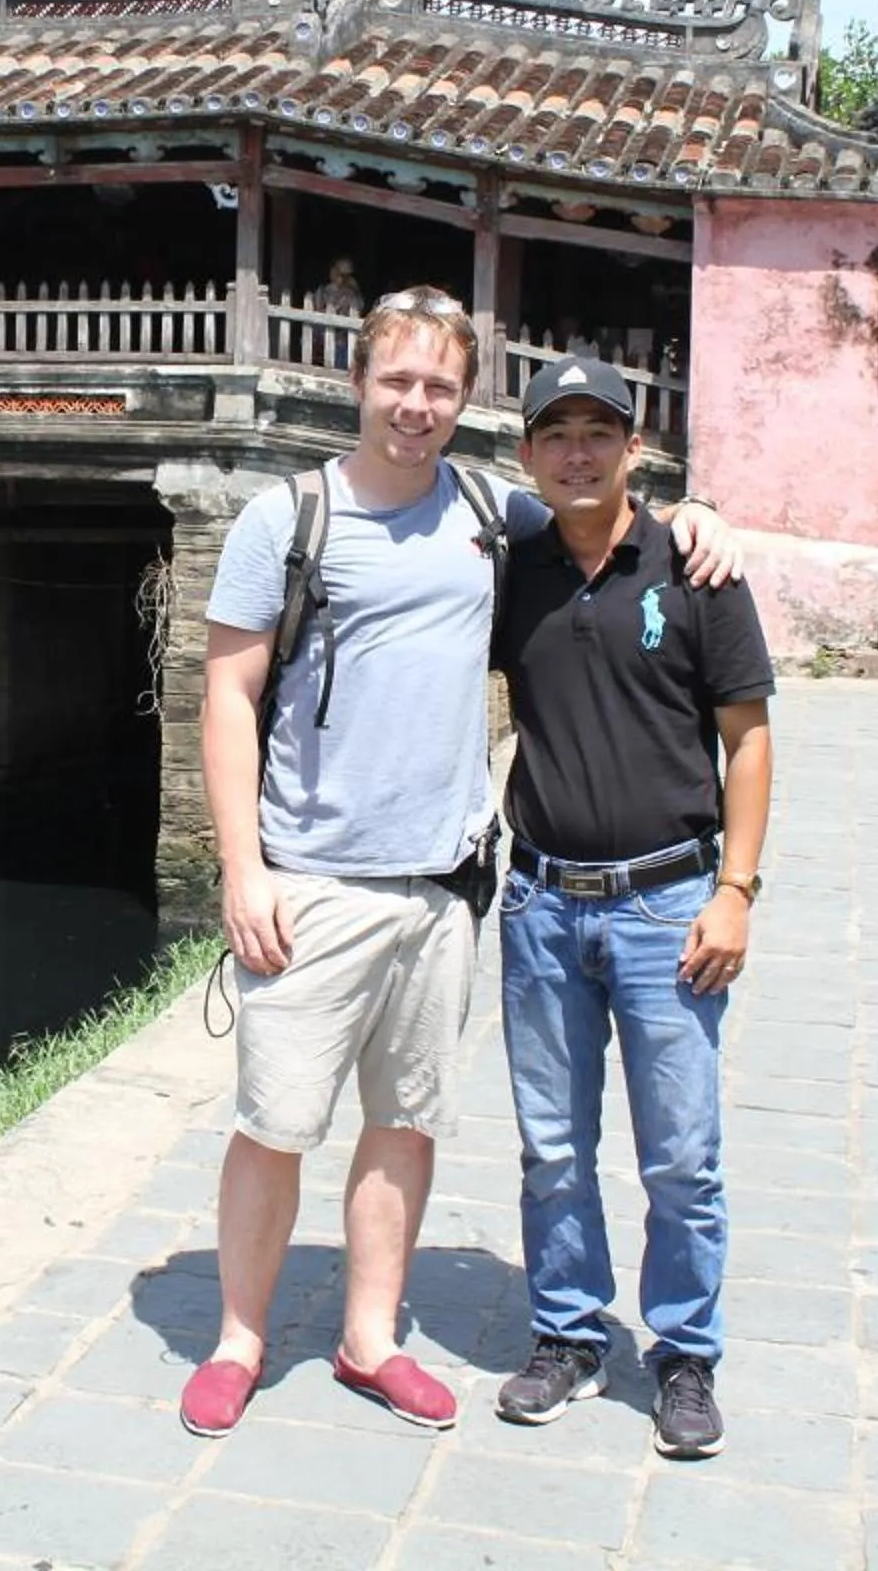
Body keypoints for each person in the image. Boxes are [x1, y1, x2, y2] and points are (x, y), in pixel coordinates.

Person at [180, 288, 738, 1439]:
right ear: (359, 382)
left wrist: (703, 515)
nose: (417, 405)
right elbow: (228, 694)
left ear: (467, 399)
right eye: (398, 380)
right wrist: (241, 867)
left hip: (442, 888)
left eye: (440, 386)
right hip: (314, 881)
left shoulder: (493, 513)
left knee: (406, 1120)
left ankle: (370, 1336)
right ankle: (238, 1336)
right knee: (276, 1120)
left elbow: (608, 520)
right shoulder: (287, 520)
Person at [488, 354, 774, 1462]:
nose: (577, 451)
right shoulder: (513, 567)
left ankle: (685, 1352)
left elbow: (746, 739)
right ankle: (566, 1331)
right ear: (526, 456)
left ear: (634, 447)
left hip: (669, 904)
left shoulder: (695, 568)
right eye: (555, 433)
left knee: (681, 1154)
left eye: (597, 432)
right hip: (544, 905)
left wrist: (736, 891)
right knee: (552, 1144)